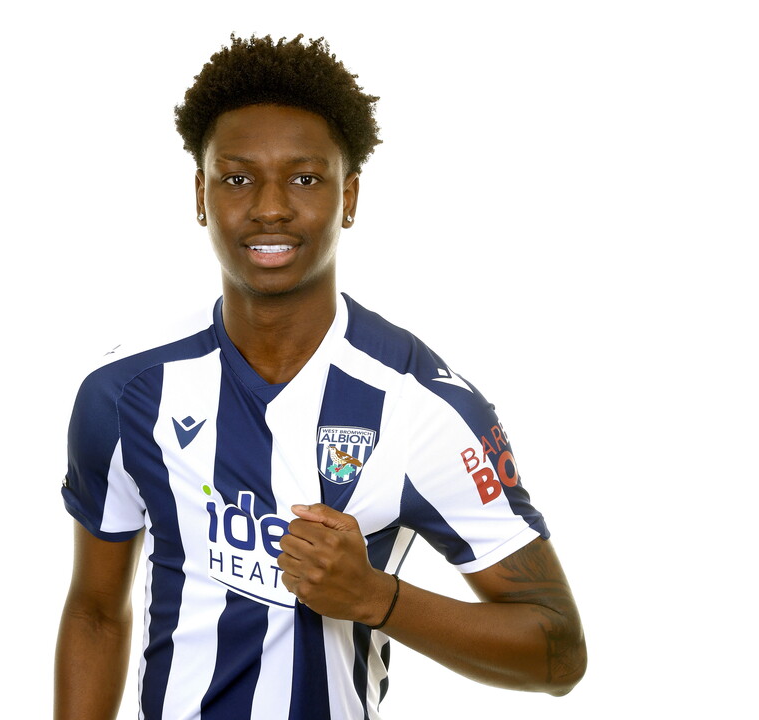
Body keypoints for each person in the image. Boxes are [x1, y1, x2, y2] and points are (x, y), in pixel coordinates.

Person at [54, 34, 586, 720]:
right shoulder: (124, 393)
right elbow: (96, 613)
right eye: (237, 176)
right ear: (200, 193)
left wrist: (375, 598)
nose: (270, 206)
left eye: (305, 178)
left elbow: (559, 651)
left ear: (349, 196)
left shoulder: (421, 408)